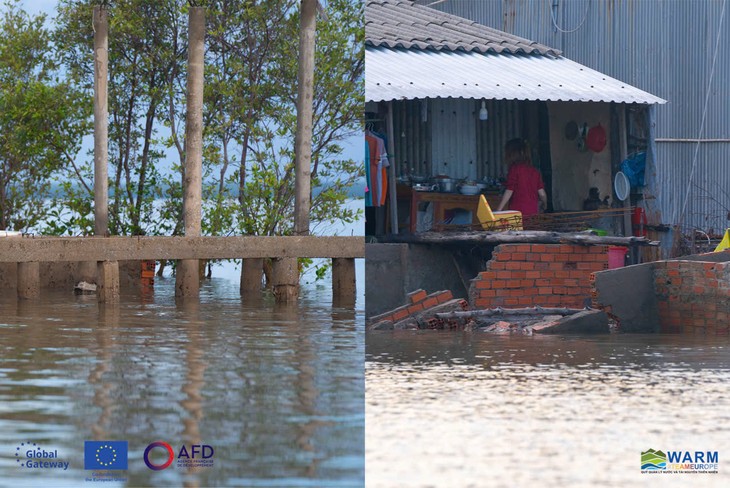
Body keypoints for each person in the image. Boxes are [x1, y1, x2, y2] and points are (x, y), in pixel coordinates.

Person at [496, 138, 547, 217]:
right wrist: (545, 204)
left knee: (518, 229)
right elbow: (542, 194)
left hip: (517, 213)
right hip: (533, 213)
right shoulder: (535, 172)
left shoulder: (514, 169)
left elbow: (509, 190)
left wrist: (499, 210)